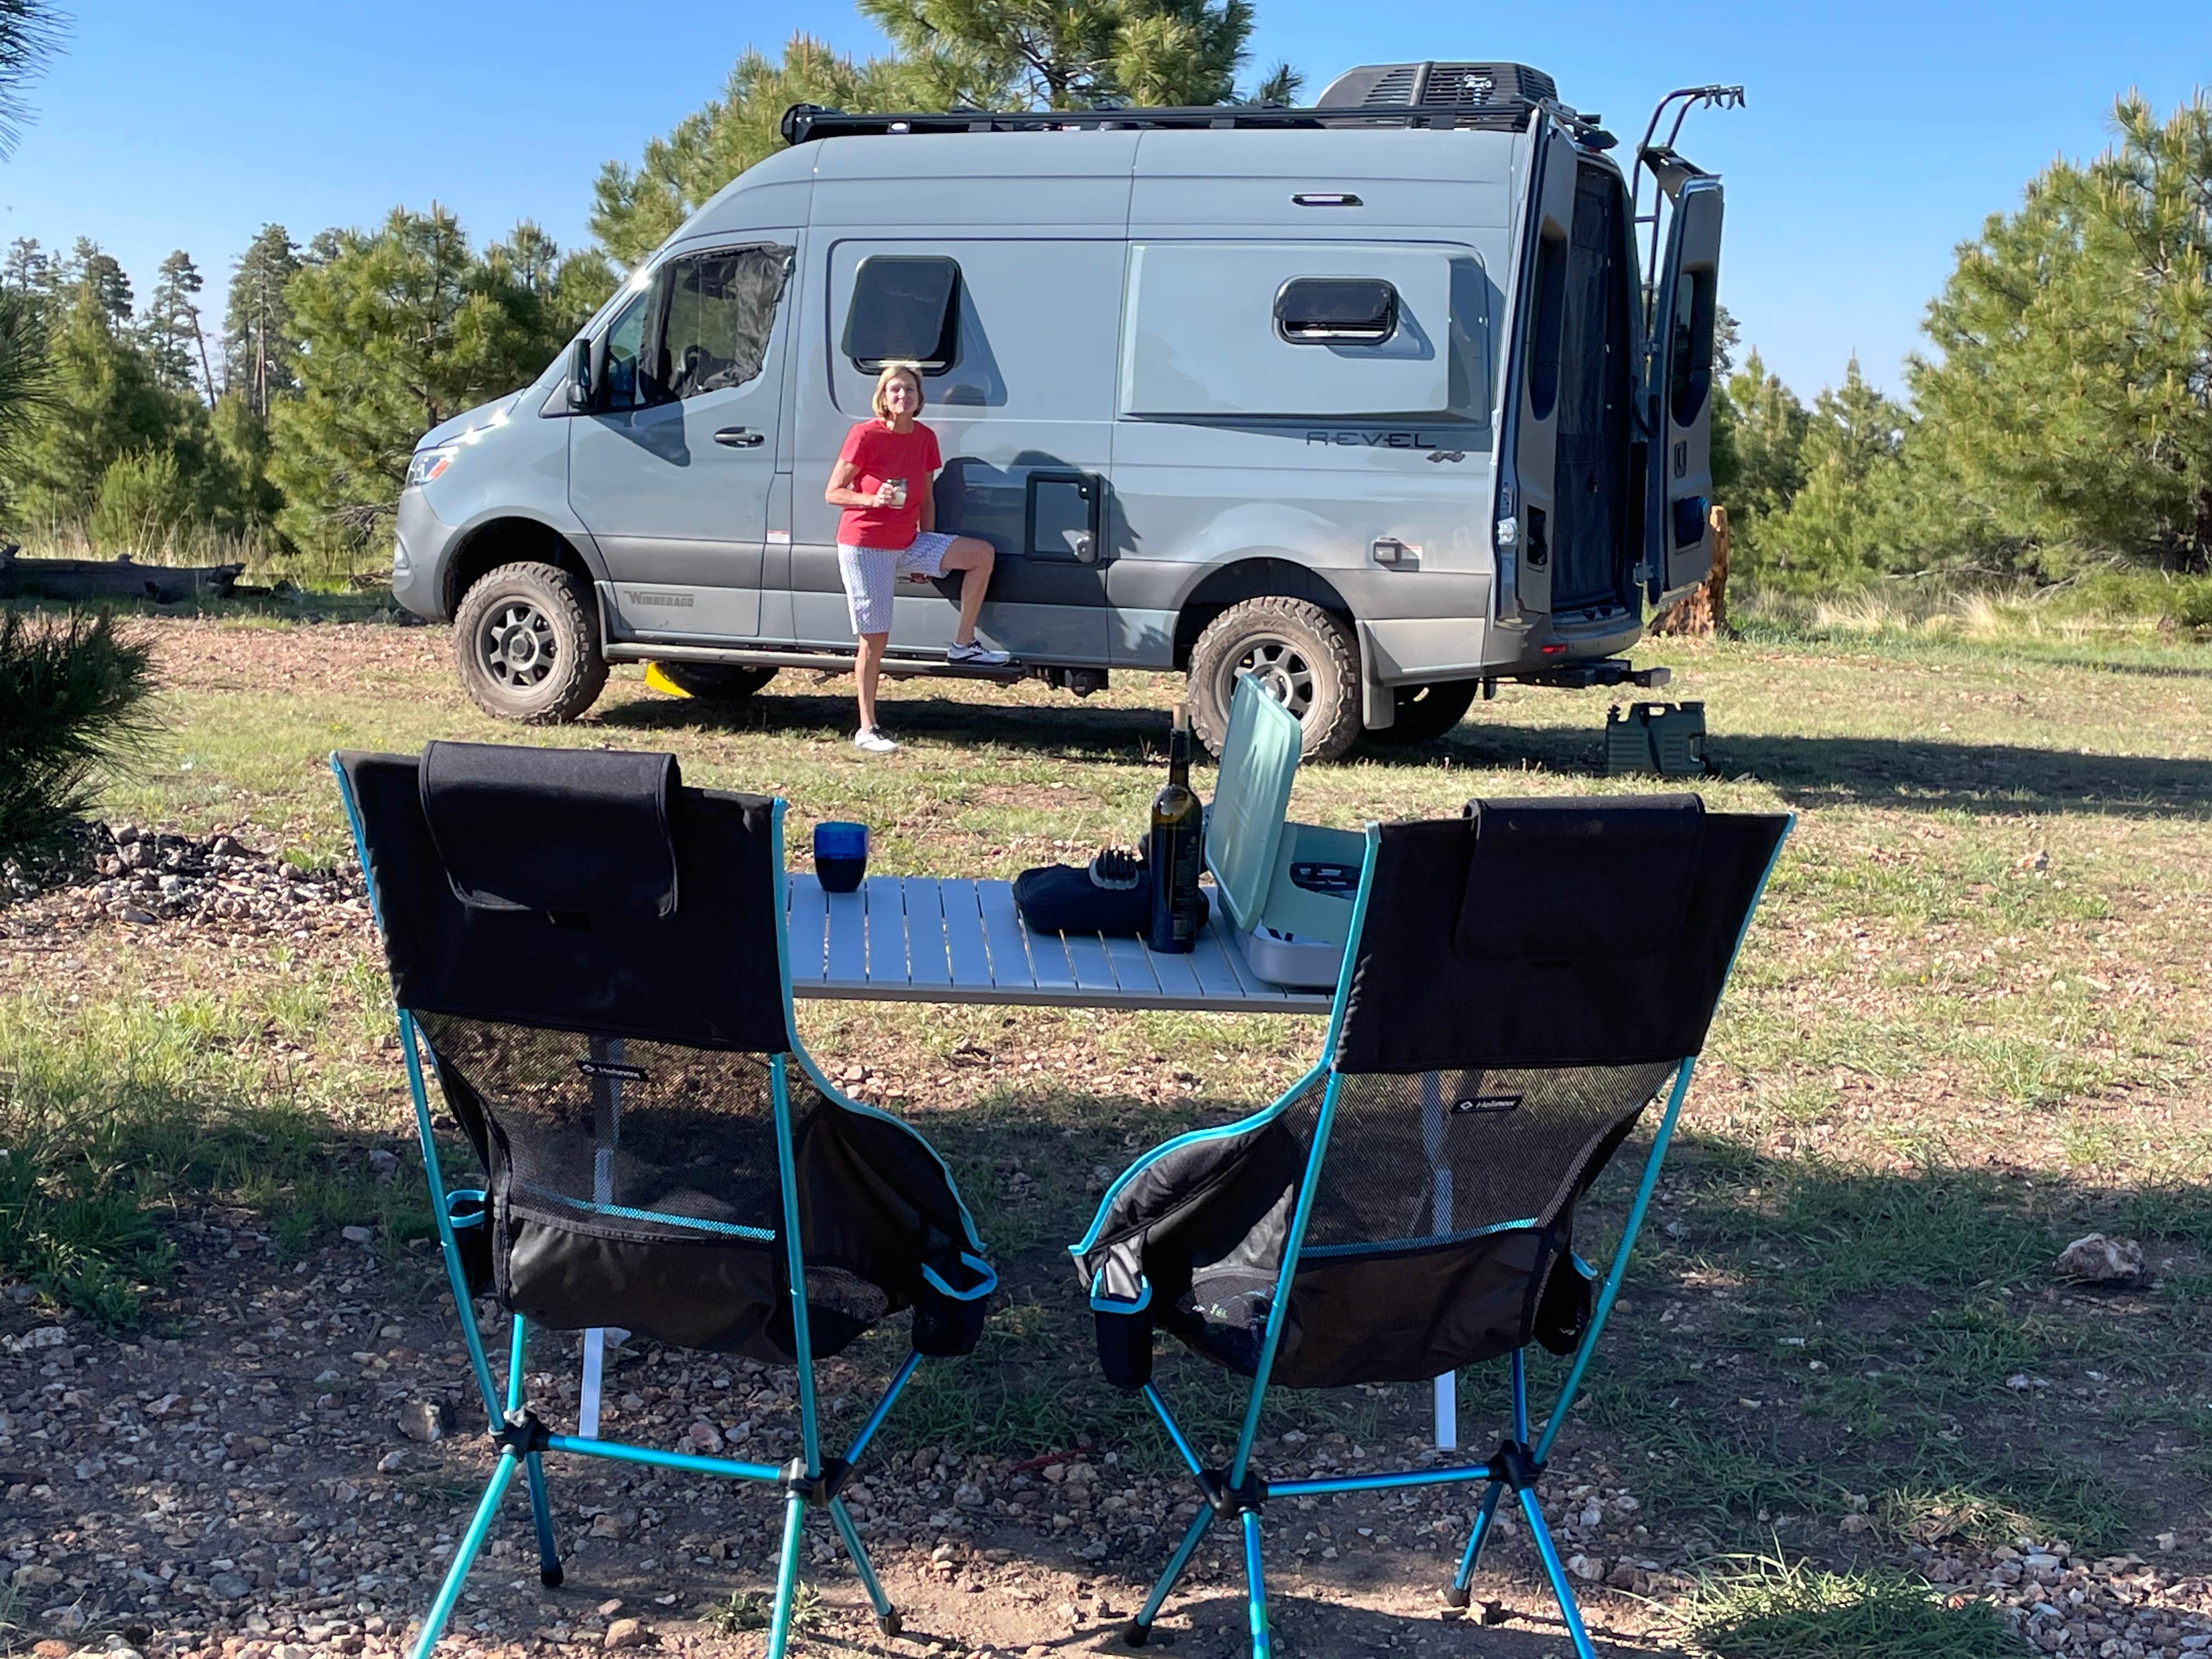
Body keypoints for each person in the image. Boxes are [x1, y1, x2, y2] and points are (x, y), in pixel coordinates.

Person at [825, 363, 1007, 754]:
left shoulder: (924, 438)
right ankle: (867, 728)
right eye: (894, 391)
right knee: (875, 639)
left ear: (919, 399)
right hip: (866, 544)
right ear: (883, 398)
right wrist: (872, 500)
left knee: (981, 555)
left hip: (908, 542)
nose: (902, 396)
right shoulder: (865, 435)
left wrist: (929, 549)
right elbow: (834, 492)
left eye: (908, 390)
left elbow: (927, 494)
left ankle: (963, 644)